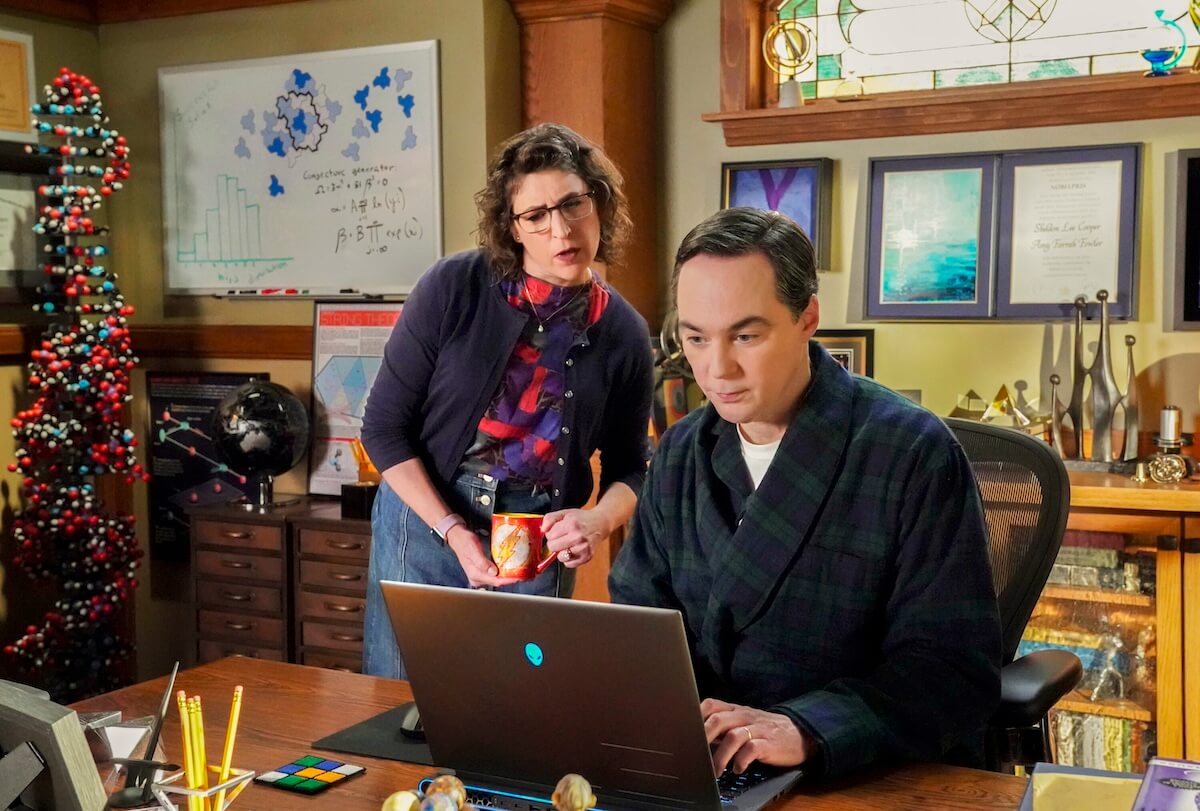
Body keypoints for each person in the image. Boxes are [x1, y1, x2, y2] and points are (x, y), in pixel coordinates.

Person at [609, 207, 1001, 780]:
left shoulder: (911, 453)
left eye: (746, 335)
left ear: (807, 318)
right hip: (710, 766)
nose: (718, 369)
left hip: (856, 771)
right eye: (696, 338)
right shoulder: (680, 452)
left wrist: (807, 730)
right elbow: (639, 624)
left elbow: (951, 672)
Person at [361, 123, 653, 679]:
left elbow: (631, 468)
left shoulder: (624, 331)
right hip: (426, 522)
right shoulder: (452, 286)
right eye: (536, 216)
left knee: (521, 706)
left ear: (600, 205)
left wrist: (596, 521)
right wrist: (452, 529)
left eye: (573, 204)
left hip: (536, 534)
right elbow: (383, 430)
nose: (560, 229)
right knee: (403, 706)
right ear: (512, 228)